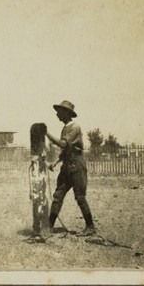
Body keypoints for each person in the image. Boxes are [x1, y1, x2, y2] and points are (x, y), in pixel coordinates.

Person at [45, 100, 97, 236]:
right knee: (58, 195)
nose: (57, 115)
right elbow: (66, 150)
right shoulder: (65, 128)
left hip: (77, 165)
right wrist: (56, 162)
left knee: (80, 196)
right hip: (66, 166)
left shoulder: (74, 127)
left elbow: (63, 144)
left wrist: (47, 134)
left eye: (59, 112)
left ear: (66, 113)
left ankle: (90, 227)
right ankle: (49, 226)